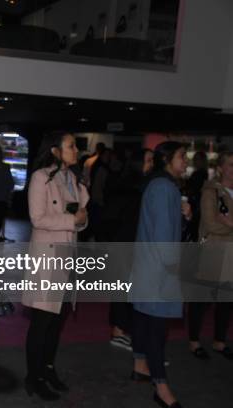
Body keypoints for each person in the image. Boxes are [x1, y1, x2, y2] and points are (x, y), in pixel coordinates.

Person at [23, 132, 89, 401]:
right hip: (48, 260)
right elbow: (37, 218)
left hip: (68, 258)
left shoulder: (72, 179)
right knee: (42, 323)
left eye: (75, 146)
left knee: (56, 322)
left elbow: (81, 218)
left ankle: (47, 369)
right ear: (55, 150)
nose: (76, 150)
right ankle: (33, 376)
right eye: (71, 146)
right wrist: (72, 221)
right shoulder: (41, 178)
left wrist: (80, 220)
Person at [131, 141, 191, 408]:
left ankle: (140, 365)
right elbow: (165, 237)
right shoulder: (165, 187)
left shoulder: (157, 185)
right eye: (182, 157)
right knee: (157, 329)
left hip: (148, 267)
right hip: (159, 271)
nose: (186, 162)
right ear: (167, 159)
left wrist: (185, 216)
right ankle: (161, 386)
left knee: (145, 320)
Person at [103, 148, 153, 350]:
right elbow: (117, 218)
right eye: (148, 160)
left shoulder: (131, 185)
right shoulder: (133, 187)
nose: (151, 164)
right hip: (125, 243)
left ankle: (120, 330)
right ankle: (118, 331)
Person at [189, 151, 233, 360]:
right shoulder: (211, 191)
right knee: (202, 300)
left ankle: (220, 341)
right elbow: (210, 223)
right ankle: (194, 340)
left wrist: (228, 223)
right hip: (213, 252)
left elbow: (221, 223)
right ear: (221, 167)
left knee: (227, 301)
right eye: (231, 164)